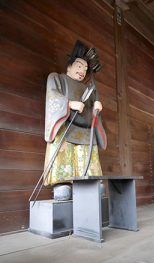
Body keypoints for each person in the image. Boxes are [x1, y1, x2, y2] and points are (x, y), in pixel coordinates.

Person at [43, 40, 107, 200]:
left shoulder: (88, 89)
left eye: (85, 69)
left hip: (85, 131)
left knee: (87, 160)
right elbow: (53, 97)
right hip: (66, 127)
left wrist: (96, 108)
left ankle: (90, 184)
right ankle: (62, 184)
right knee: (64, 157)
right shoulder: (57, 78)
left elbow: (93, 114)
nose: (82, 71)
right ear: (69, 66)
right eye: (79, 66)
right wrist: (69, 103)